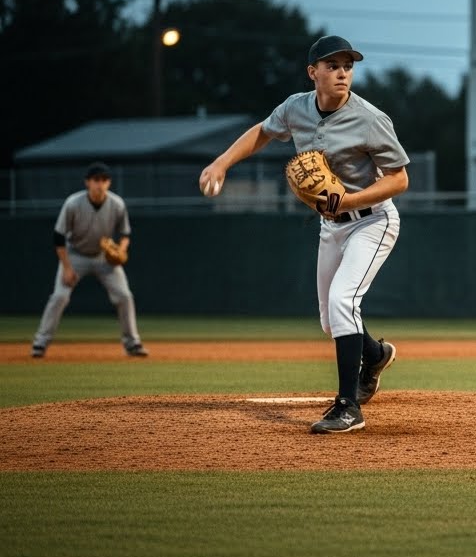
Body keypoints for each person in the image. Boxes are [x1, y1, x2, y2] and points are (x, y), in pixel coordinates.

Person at [199, 36, 406, 433]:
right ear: (313, 73)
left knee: (344, 301)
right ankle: (376, 355)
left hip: (372, 221)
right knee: (331, 320)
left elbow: (399, 179)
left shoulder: (371, 118)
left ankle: (348, 407)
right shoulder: (296, 108)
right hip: (332, 225)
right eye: (332, 65)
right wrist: (222, 163)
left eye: (348, 65)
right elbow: (262, 131)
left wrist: (351, 199)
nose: (342, 72)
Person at [31, 162, 148, 358]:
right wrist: (67, 268)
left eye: (104, 180)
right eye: (96, 180)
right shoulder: (73, 203)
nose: (99, 184)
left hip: (104, 257)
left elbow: (125, 232)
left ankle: (132, 343)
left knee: (124, 296)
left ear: (109, 183)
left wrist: (121, 249)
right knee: (60, 296)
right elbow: (58, 238)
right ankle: (40, 343)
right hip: (74, 255)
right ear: (87, 182)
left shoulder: (117, 204)